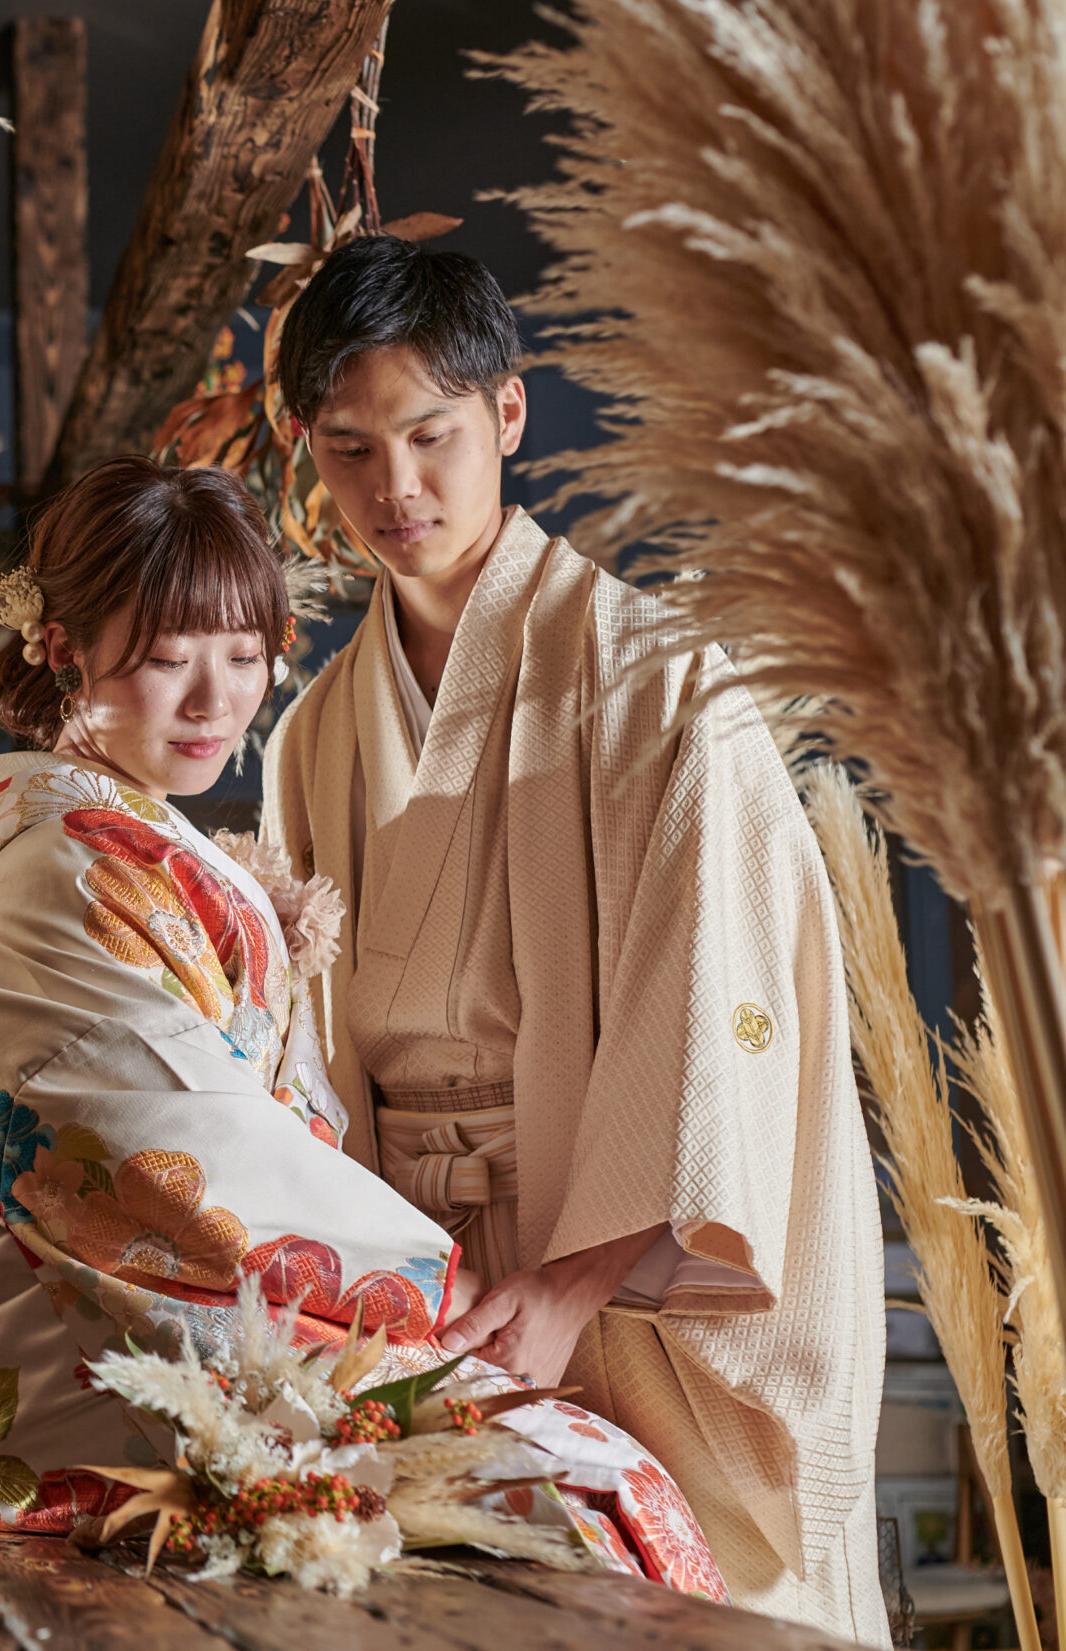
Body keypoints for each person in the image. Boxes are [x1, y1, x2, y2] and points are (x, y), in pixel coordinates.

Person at [0, 456, 722, 1593]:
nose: (214, 702)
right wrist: (428, 1281)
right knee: (589, 1491)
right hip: (90, 1345)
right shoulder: (58, 865)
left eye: (243, 655)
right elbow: (158, 1136)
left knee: (586, 1477)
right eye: (167, 659)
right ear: (62, 648)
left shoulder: (90, 834)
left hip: (142, 1299)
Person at [260, 235, 886, 1642]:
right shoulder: (312, 736)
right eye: (349, 447)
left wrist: (569, 1281)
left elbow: (720, 1020)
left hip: (615, 1278)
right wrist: (375, 1277)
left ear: (507, 413)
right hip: (414, 1287)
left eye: (429, 433)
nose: (393, 486)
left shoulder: (662, 686)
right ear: (308, 449)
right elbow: (298, 1058)